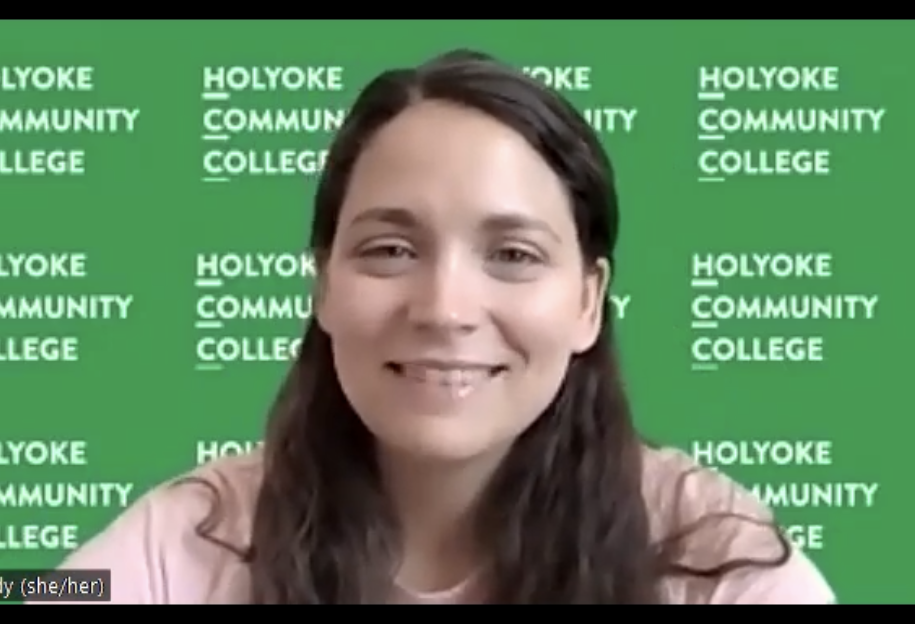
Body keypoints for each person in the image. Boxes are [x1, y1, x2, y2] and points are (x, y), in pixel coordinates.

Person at [47, 50, 834, 604]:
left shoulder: (716, 564)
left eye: (513, 254)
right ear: (323, 284)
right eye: (389, 249)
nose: (444, 308)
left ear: (588, 301)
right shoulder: (182, 549)